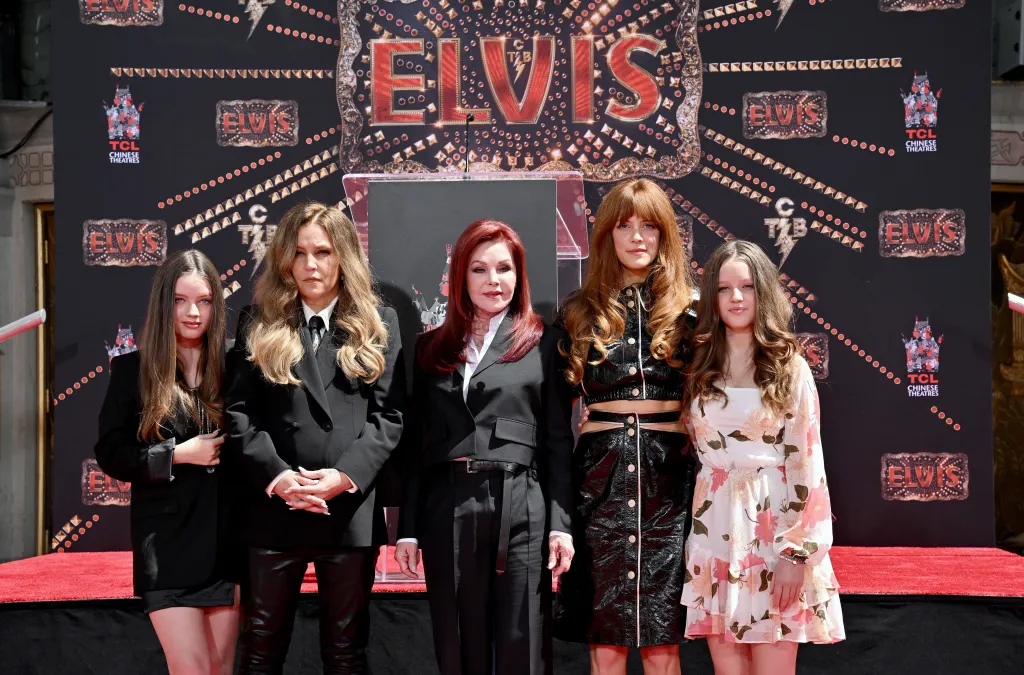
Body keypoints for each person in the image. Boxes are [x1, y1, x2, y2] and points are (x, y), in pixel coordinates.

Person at [225, 202, 404, 674]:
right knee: (260, 647)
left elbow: (390, 418)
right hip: (273, 510)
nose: (311, 265)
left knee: (346, 651)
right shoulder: (256, 321)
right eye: (299, 253)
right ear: (285, 260)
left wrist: (343, 477)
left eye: (322, 252)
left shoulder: (379, 323)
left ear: (343, 257)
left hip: (345, 511)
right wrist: (280, 478)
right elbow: (239, 414)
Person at [393, 219, 576, 675]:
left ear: (519, 276)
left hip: (522, 507)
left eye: (504, 269)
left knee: (523, 645)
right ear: (460, 278)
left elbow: (557, 442)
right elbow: (416, 445)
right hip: (447, 506)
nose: (493, 281)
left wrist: (560, 524)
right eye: (479, 269)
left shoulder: (545, 343)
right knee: (457, 647)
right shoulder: (429, 348)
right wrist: (409, 529)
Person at [680, 240, 844, 674]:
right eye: (725, 288)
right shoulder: (699, 363)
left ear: (765, 292)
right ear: (711, 296)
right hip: (714, 529)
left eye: (748, 286)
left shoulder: (789, 367)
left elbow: (807, 464)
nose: (736, 297)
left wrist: (796, 555)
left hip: (773, 536)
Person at [553, 178, 697, 675]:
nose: (637, 237)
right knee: (606, 639)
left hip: (671, 483)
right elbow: (553, 422)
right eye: (624, 226)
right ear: (606, 236)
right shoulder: (577, 314)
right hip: (600, 482)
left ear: (665, 236)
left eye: (649, 226)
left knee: (663, 640)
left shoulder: (693, 315)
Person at [95, 249, 240, 675]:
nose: (193, 312)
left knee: (218, 670)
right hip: (166, 547)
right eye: (180, 301)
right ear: (164, 304)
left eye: (204, 300)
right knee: (191, 669)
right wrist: (177, 455)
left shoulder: (237, 366)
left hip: (227, 546)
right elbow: (111, 453)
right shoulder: (132, 371)